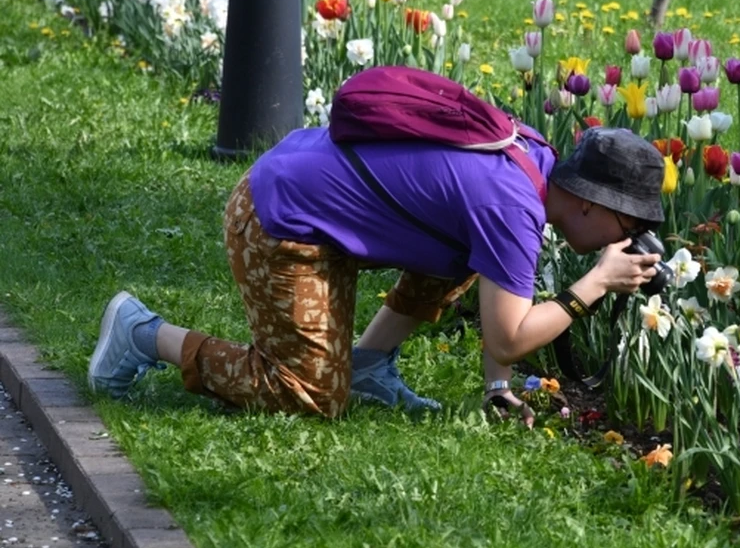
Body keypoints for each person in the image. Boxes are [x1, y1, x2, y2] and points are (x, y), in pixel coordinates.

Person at [88, 125, 665, 425]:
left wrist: (497, 386)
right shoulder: (511, 207)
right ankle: (142, 333)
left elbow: (500, 281)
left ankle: (366, 366)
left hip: (306, 190)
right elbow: (507, 336)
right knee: (310, 395)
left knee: (466, 254)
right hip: (276, 217)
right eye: (628, 225)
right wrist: (596, 282)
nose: (624, 241)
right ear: (590, 203)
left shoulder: (531, 164)